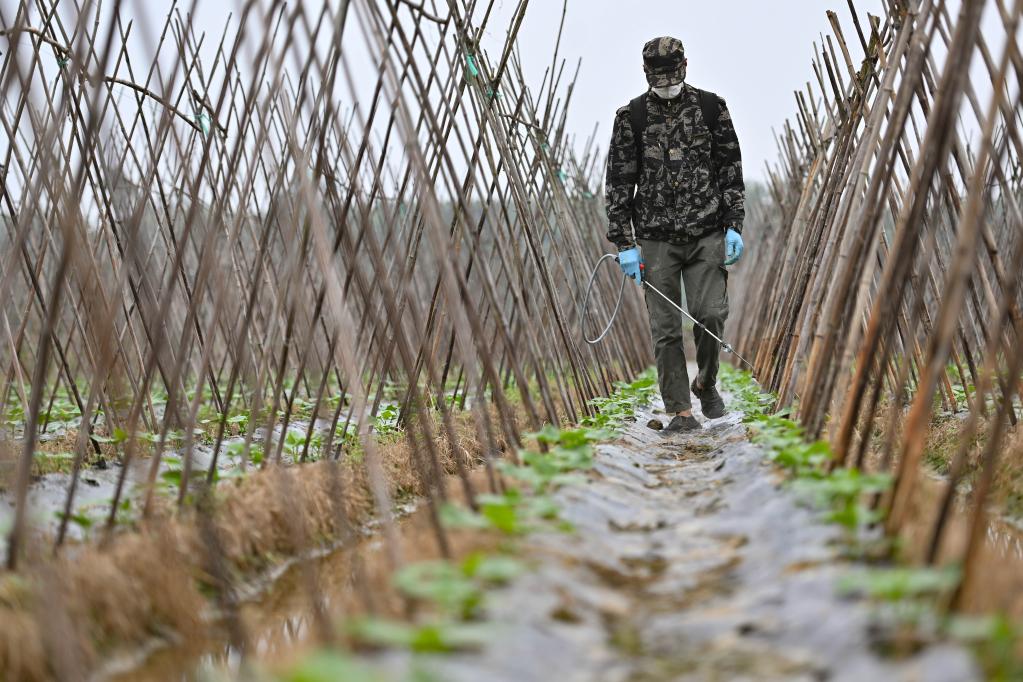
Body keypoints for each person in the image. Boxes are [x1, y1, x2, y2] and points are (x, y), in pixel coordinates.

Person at [605, 36, 745, 433]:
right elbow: (618, 183)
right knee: (666, 330)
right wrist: (625, 244)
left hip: (706, 232)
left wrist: (734, 224)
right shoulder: (630, 117)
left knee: (710, 315)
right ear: (647, 74)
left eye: (671, 76)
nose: (666, 84)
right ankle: (681, 413)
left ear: (684, 67)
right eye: (659, 78)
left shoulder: (711, 108)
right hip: (655, 238)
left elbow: (730, 169)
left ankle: (706, 382)